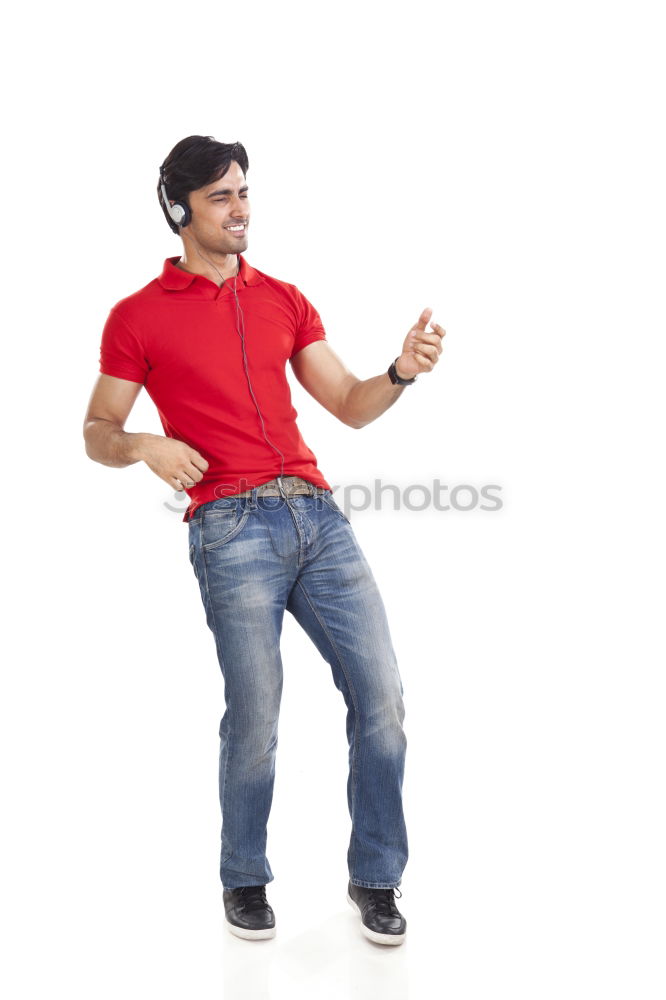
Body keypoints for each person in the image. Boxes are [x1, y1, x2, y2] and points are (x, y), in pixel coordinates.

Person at [83, 135, 445, 946]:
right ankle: (244, 876)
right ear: (178, 209)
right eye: (220, 197)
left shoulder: (285, 297)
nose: (240, 209)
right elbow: (97, 430)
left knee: (382, 700)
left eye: (244, 192)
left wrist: (401, 371)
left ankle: (375, 875)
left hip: (318, 520)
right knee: (256, 714)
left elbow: (349, 403)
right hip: (231, 526)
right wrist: (144, 445)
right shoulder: (137, 316)